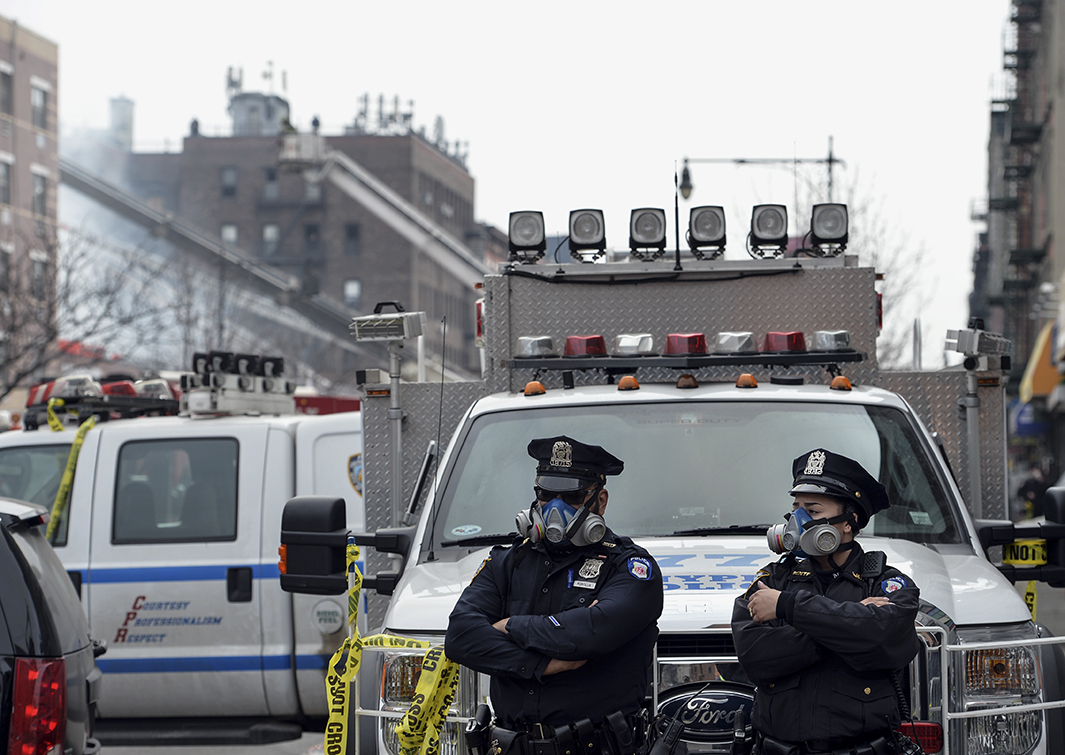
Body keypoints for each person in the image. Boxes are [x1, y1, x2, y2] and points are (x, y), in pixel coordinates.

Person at [445, 435, 663, 755]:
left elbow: (588, 634)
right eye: (547, 494)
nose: (556, 507)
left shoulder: (630, 568)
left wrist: (510, 625)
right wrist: (543, 663)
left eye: (573, 496)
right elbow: (461, 637)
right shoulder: (506, 562)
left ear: (599, 501)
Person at [732, 448, 921, 755]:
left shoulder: (885, 582)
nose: (798, 519)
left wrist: (787, 608)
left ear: (849, 521)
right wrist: (847, 627)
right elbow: (755, 655)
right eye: (795, 508)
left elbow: (885, 636)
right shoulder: (773, 580)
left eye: (813, 510)